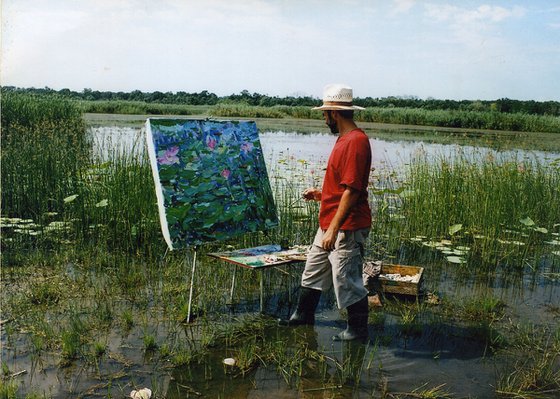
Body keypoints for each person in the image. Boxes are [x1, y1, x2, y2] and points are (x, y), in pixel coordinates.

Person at [279, 83, 372, 341]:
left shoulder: (356, 141)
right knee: (313, 269)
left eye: (325, 113)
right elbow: (344, 187)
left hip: (346, 226)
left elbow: (353, 191)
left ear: (334, 113)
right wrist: (321, 195)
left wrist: (333, 229)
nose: (324, 119)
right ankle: (303, 315)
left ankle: (357, 330)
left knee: (346, 278)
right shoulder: (344, 139)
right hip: (330, 222)